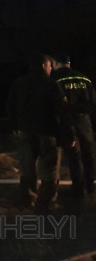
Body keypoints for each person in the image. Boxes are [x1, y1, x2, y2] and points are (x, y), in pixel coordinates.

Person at [7, 53, 61, 210]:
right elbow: (61, 111)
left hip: (26, 131)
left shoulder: (19, 83)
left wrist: (14, 125)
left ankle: (28, 199)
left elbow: (10, 106)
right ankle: (46, 202)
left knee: (28, 167)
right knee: (50, 169)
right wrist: (64, 132)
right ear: (44, 66)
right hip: (47, 132)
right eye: (50, 66)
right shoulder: (51, 85)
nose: (51, 69)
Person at [51, 53, 96, 199]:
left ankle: (78, 189)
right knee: (88, 155)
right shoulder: (84, 78)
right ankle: (91, 186)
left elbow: (57, 106)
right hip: (86, 123)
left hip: (68, 122)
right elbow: (93, 103)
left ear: (57, 64)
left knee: (74, 157)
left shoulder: (56, 80)